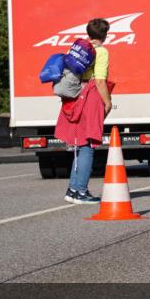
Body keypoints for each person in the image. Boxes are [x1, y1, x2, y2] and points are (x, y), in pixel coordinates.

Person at [55, 18, 113, 204]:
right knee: (88, 145)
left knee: (79, 145)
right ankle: (81, 191)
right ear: (105, 35)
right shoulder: (101, 52)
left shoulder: (79, 49)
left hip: (77, 94)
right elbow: (100, 81)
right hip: (92, 96)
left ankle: (72, 189)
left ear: (89, 33)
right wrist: (108, 102)